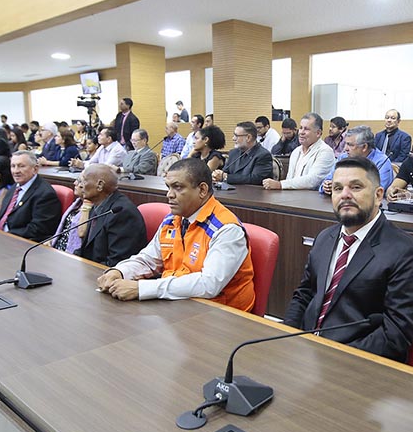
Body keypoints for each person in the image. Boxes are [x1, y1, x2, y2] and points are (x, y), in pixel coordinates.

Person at [284, 156, 413, 362]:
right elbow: (304, 294)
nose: (345, 195)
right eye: (337, 188)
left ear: (378, 195)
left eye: (356, 187)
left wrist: (333, 357)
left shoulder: (407, 253)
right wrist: (286, 337)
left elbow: (395, 335)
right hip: (306, 352)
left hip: (357, 363)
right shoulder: (325, 237)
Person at [97, 159, 256, 311]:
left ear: (202, 190)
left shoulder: (226, 229)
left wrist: (142, 288)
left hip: (222, 315)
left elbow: (208, 285)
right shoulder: (173, 220)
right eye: (168, 187)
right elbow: (148, 259)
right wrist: (120, 271)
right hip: (179, 304)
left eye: (177, 187)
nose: (169, 195)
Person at [74, 164, 146, 266]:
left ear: (99, 185)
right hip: (92, 269)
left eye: (84, 181)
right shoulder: (97, 204)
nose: (80, 185)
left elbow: (117, 262)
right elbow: (87, 250)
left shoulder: (122, 213)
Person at [0, 151, 63, 242]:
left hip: (20, 243)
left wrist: (6, 235)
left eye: (21, 166)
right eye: (13, 166)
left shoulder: (45, 194)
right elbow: (2, 218)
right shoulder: (15, 187)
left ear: (35, 169)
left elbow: (38, 229)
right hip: (0, 237)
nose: (16, 171)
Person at [262, 113, 334, 190]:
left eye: (306, 129)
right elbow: (289, 179)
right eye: (301, 128)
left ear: (318, 133)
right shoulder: (296, 152)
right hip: (293, 198)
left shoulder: (325, 152)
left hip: (313, 200)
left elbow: (312, 181)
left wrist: (280, 184)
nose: (301, 132)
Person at [319, 126, 394, 193]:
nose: (345, 149)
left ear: (364, 147)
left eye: (350, 145)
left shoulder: (381, 162)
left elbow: (376, 190)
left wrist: (342, 187)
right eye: (345, 144)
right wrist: (326, 186)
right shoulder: (343, 158)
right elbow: (325, 182)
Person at [214, 121, 273, 185]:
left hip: (253, 193)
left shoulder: (263, 155)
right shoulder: (233, 153)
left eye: (236, 136)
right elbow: (225, 172)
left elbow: (256, 179)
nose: (233, 138)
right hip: (231, 192)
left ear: (248, 137)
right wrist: (217, 175)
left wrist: (226, 177)